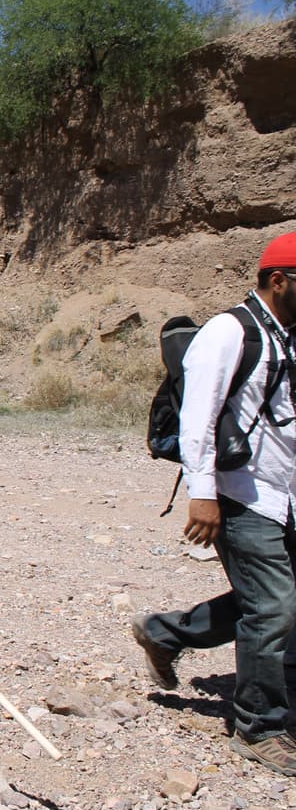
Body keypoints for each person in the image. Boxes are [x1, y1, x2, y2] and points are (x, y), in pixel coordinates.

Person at [132, 231, 296, 776]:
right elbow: (196, 418)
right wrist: (202, 495)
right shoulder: (230, 332)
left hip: (284, 494)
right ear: (279, 281)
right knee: (272, 606)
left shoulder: (287, 335)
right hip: (241, 494)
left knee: (274, 600)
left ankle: (165, 632)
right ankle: (260, 726)